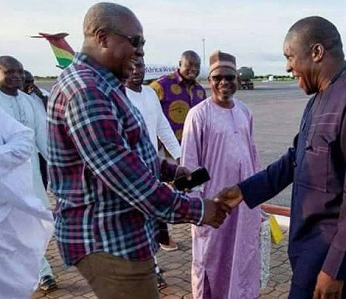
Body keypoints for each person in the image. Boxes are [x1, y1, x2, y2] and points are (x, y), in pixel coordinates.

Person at [47, 3, 228, 299]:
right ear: (102, 37)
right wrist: (198, 210)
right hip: (109, 240)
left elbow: (128, 152)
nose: (140, 51)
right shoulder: (87, 92)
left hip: (122, 234)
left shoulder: (104, 86)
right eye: (135, 42)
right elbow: (127, 179)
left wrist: (169, 170)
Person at [215, 16, 346, 298]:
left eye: (290, 57)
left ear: (316, 52)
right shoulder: (318, 99)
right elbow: (295, 159)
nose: (288, 66)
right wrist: (243, 191)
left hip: (330, 252)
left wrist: (337, 267)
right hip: (309, 247)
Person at [181, 50, 262, 299]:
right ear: (210, 81)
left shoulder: (244, 111)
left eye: (229, 77)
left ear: (236, 80)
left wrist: (258, 194)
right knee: (211, 259)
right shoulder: (198, 115)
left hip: (244, 203)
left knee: (244, 256)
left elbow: (252, 154)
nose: (224, 82)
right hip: (213, 205)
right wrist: (198, 208)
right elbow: (189, 166)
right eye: (218, 78)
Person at [0, 55, 57, 292]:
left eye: (19, 71)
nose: (16, 76)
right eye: (9, 72)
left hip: (29, 175)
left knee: (33, 222)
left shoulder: (29, 101)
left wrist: (60, 168)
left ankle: (39, 269)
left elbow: (40, 139)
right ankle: (42, 272)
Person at [125, 56, 181, 288]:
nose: (136, 70)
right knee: (136, 221)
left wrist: (179, 155)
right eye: (131, 66)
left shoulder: (149, 94)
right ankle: (148, 269)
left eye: (140, 66)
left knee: (150, 219)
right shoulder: (119, 96)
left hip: (152, 166)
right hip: (129, 170)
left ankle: (152, 266)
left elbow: (162, 126)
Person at [150, 50, 206, 250]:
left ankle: (195, 223)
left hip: (191, 148)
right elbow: (147, 110)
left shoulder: (200, 91)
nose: (192, 70)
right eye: (188, 65)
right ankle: (164, 235)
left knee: (192, 185)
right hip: (165, 150)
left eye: (196, 67)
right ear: (179, 64)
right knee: (162, 191)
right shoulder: (161, 86)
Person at [22, 70, 49, 189]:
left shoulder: (41, 94)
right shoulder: (15, 97)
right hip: (24, 147)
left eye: (31, 82)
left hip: (41, 145)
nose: (29, 85)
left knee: (42, 179)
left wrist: (41, 97)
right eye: (26, 82)